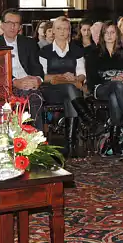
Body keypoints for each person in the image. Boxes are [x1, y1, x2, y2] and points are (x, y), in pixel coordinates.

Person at [39, 17, 101, 154]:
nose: (62, 31)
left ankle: (70, 143)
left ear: (69, 31)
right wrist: (61, 77)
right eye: (59, 28)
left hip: (72, 91)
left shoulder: (76, 50)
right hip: (51, 90)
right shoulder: (45, 51)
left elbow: (82, 74)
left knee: (70, 94)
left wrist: (74, 77)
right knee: (71, 88)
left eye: (65, 29)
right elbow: (42, 76)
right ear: (53, 31)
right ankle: (89, 120)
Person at [87, 22, 123, 151]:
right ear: (102, 35)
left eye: (112, 32)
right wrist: (110, 80)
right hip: (101, 88)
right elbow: (91, 78)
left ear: (117, 35)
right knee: (115, 87)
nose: (109, 35)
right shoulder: (94, 53)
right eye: (106, 32)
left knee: (115, 94)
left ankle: (114, 138)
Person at [0, 9, 45, 125]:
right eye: (9, 23)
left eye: (16, 23)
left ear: (20, 27)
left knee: (36, 97)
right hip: (6, 86)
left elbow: (36, 66)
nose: (13, 26)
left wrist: (38, 79)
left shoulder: (29, 43)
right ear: (2, 25)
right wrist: (14, 82)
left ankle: (37, 138)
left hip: (28, 82)